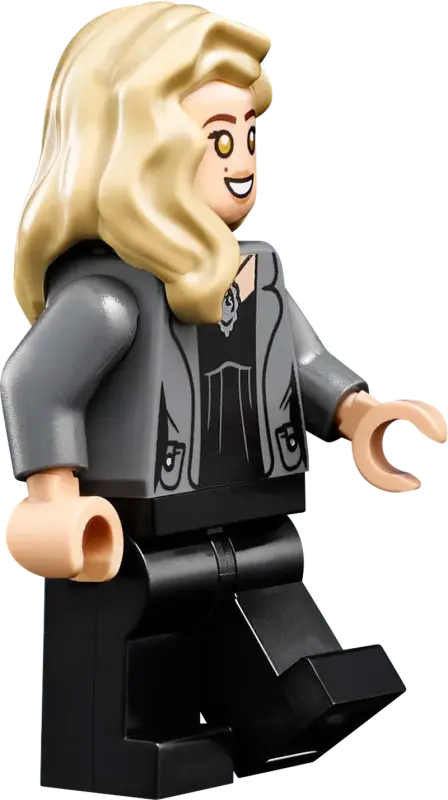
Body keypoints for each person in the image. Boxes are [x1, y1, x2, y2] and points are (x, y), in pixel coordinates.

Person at [1, 3, 446, 797]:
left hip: (256, 511)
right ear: (139, 150)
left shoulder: (254, 277)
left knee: (272, 628)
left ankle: (250, 734)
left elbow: (303, 361)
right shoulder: (110, 298)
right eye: (216, 139)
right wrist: (54, 496)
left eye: (247, 135)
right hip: (138, 536)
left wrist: (359, 413)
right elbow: (36, 383)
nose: (242, 162)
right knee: (147, 644)